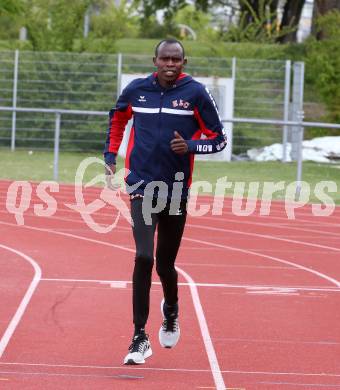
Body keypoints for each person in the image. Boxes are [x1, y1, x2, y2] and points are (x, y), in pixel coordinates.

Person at [104, 38, 227, 365]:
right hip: (140, 184)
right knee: (143, 257)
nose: (170, 65)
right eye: (165, 59)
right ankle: (139, 336)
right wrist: (110, 154)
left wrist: (191, 146)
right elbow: (118, 119)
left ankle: (170, 308)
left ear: (184, 61)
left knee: (165, 263)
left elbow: (219, 140)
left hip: (176, 190)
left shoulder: (196, 94)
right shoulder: (136, 89)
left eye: (176, 60)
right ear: (155, 60)